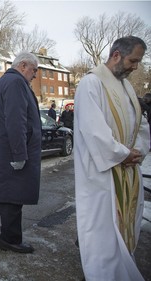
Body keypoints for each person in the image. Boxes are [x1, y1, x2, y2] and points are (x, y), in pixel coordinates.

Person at [74, 36, 149, 281]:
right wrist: (122, 154)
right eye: (133, 60)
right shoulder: (91, 83)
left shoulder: (126, 87)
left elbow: (140, 124)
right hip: (102, 174)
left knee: (123, 229)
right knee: (102, 234)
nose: (136, 66)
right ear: (116, 54)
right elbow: (93, 130)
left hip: (127, 169)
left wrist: (138, 150)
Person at [0, 51, 42, 254]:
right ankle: (10, 240)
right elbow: (15, 121)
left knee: (7, 190)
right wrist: (19, 154)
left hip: (6, 152)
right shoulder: (15, 83)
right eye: (34, 70)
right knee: (14, 196)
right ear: (23, 66)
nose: (35, 75)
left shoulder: (8, 82)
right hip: (13, 153)